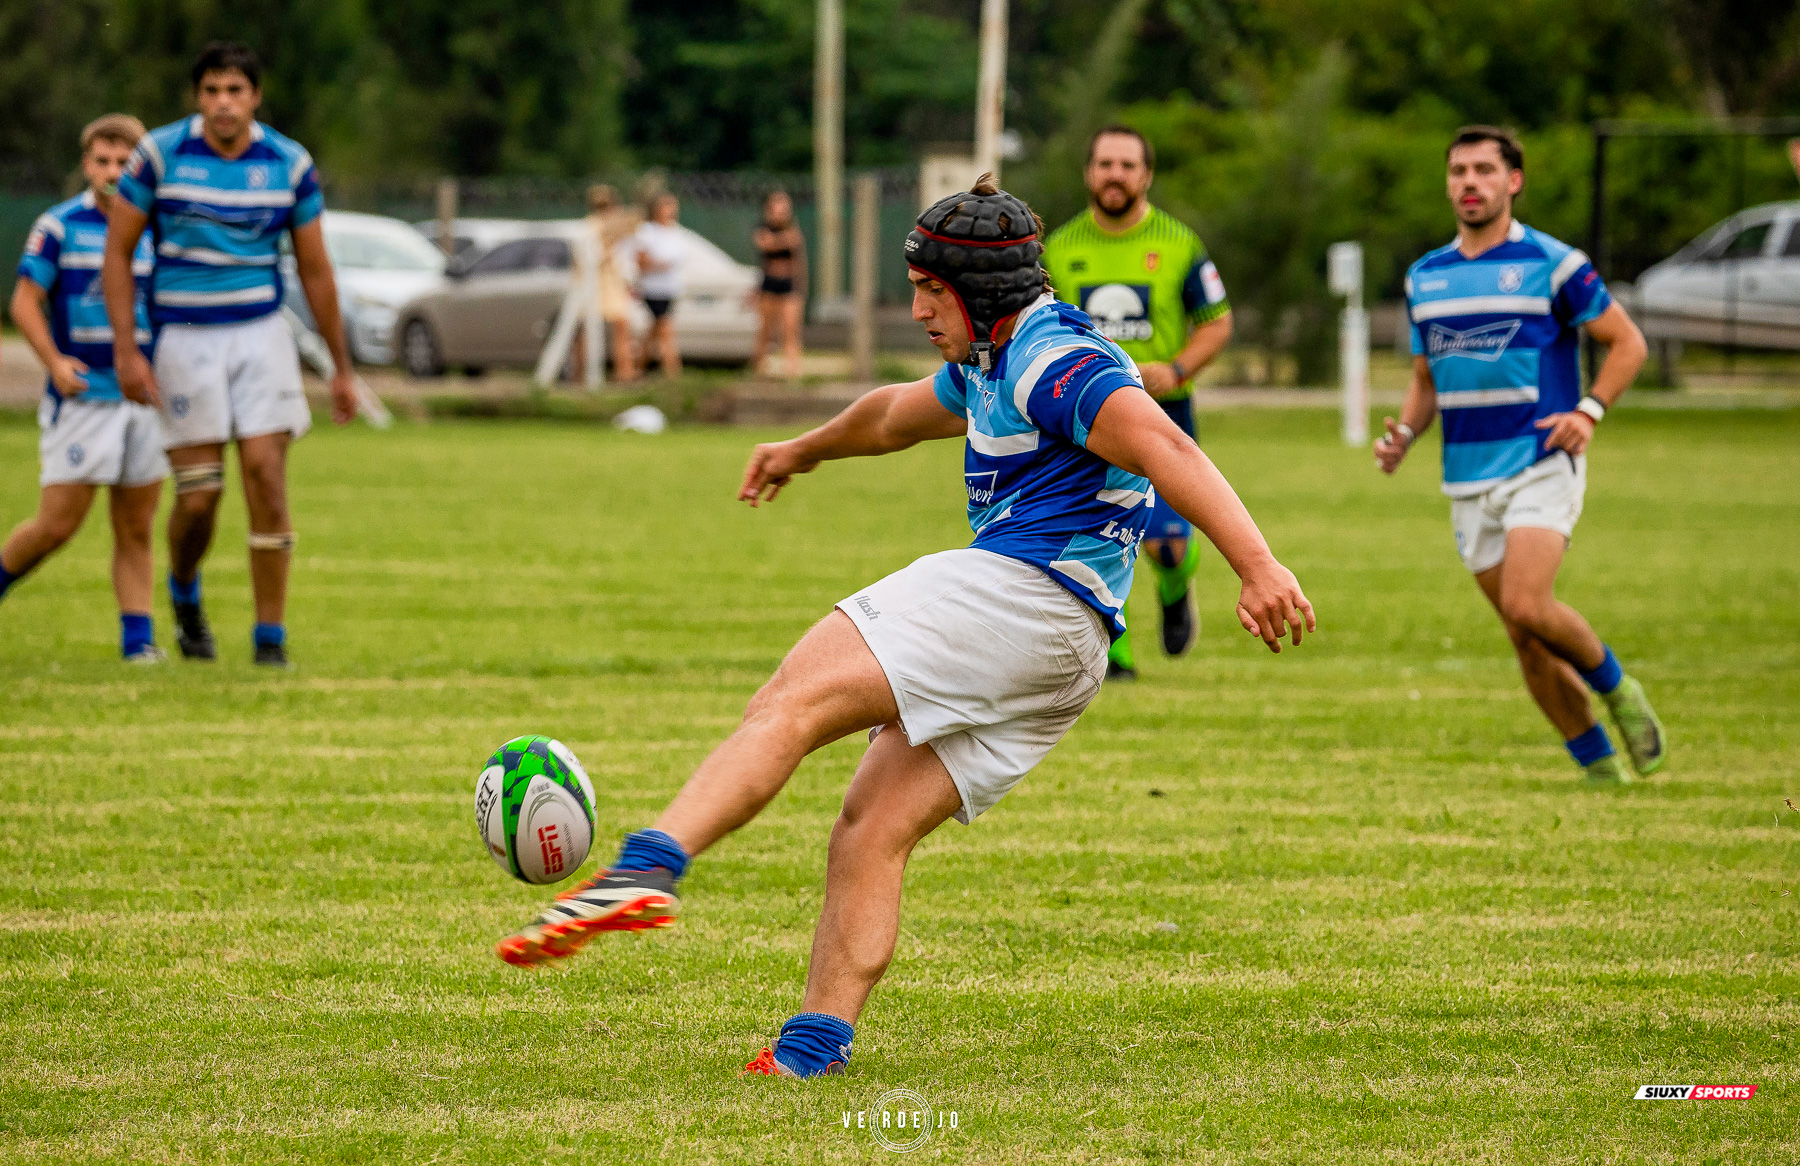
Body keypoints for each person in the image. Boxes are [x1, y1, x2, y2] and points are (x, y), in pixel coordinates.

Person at [494, 175, 1315, 1078]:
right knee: (872, 822)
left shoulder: (1056, 362)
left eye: (931, 292)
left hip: (1025, 594)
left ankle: (646, 868)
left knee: (791, 700)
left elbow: (1168, 447)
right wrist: (805, 449)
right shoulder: (993, 360)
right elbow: (892, 414)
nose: (918, 308)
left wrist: (1258, 564)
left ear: (982, 292)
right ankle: (813, 1051)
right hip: (1068, 646)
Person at [1376, 126, 1665, 784]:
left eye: (1483, 169)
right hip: (1466, 477)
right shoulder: (1427, 276)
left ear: (1514, 181)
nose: (1469, 182)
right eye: (1458, 171)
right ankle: (1599, 767)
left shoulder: (1554, 263)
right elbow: (1426, 379)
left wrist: (1589, 411)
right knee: (1522, 634)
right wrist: (1405, 438)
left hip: (1540, 460)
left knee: (1529, 604)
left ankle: (1618, 691)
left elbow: (1627, 343)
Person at [103, 41, 357, 667]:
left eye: (235, 91)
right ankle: (184, 590)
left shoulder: (288, 164)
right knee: (199, 496)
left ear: (255, 97)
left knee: (268, 478)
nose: (223, 103)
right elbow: (117, 255)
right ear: (198, 97)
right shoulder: (160, 155)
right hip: (183, 337)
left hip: (260, 333)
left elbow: (316, 269)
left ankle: (269, 642)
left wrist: (342, 368)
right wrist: (128, 352)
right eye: (212, 90)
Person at [1043, 125, 1234, 680]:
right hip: (1078, 412)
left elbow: (1216, 323)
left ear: (1146, 175)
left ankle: (1176, 589)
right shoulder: (1060, 248)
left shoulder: (1179, 244)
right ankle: (1115, 658)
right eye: (1105, 163)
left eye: (1127, 165)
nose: (1115, 175)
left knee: (1165, 544)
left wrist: (1174, 371)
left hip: (1161, 412)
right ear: (1088, 173)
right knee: (1090, 529)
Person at [0, 114, 168, 662]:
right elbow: (25, 302)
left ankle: (138, 644)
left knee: (136, 526)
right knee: (56, 526)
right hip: (83, 397)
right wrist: (52, 361)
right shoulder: (59, 226)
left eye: (125, 162)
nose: (113, 172)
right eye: (103, 161)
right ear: (85, 164)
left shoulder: (156, 226)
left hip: (141, 398)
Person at [576, 184, 639, 382]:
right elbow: (587, 258)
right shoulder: (589, 227)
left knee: (621, 326)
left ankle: (624, 371)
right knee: (587, 329)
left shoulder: (612, 225)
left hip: (612, 282)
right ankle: (580, 373)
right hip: (594, 283)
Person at [751, 190, 806, 380]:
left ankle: (792, 370)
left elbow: (797, 254)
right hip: (769, 283)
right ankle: (759, 367)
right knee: (766, 330)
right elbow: (765, 244)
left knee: (791, 329)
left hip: (789, 283)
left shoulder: (793, 227)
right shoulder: (763, 227)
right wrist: (782, 240)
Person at [633, 192, 686, 378]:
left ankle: (639, 366)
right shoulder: (647, 231)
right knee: (664, 326)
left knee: (655, 329)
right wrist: (660, 265)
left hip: (669, 288)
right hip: (652, 288)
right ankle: (673, 370)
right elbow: (640, 261)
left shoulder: (676, 231)